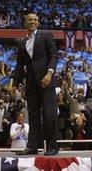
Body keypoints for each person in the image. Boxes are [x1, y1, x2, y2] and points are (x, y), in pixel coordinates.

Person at [14, 13, 59, 155]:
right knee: (33, 115)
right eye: (30, 20)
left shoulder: (46, 35)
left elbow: (54, 55)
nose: (32, 21)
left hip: (46, 80)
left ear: (38, 22)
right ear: (25, 22)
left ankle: (52, 146)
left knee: (49, 114)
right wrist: (14, 84)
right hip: (31, 83)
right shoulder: (22, 43)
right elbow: (20, 65)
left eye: (35, 19)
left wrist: (50, 73)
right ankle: (32, 147)